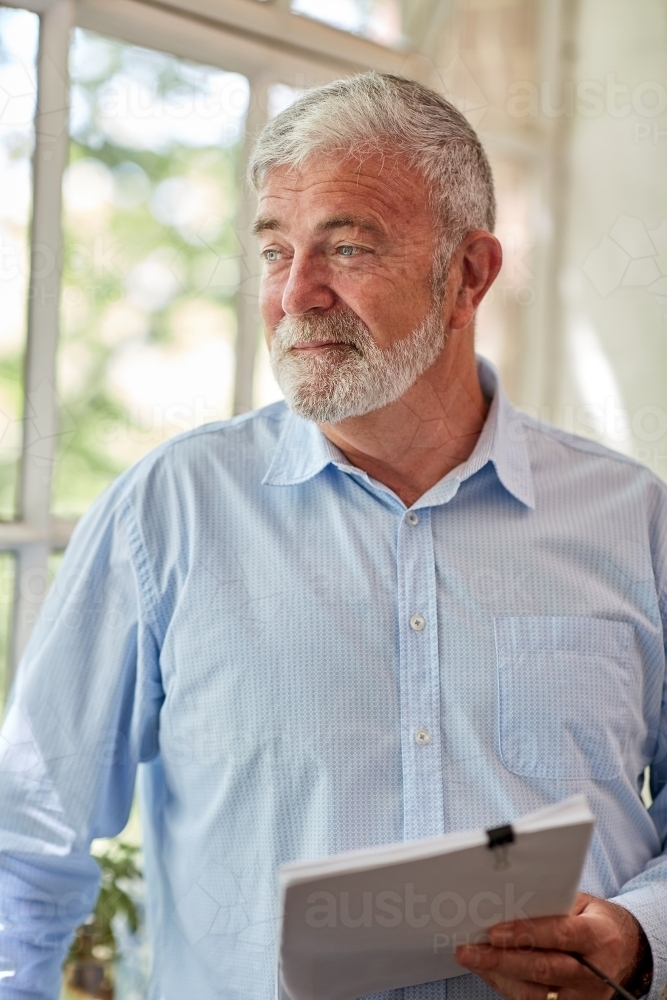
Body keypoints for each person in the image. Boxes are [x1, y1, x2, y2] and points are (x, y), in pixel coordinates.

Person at [0, 72, 666, 1000]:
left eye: (346, 247)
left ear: (468, 273)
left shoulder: (634, 518)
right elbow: (27, 841)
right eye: (275, 252)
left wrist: (641, 935)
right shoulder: (168, 511)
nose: (296, 294)